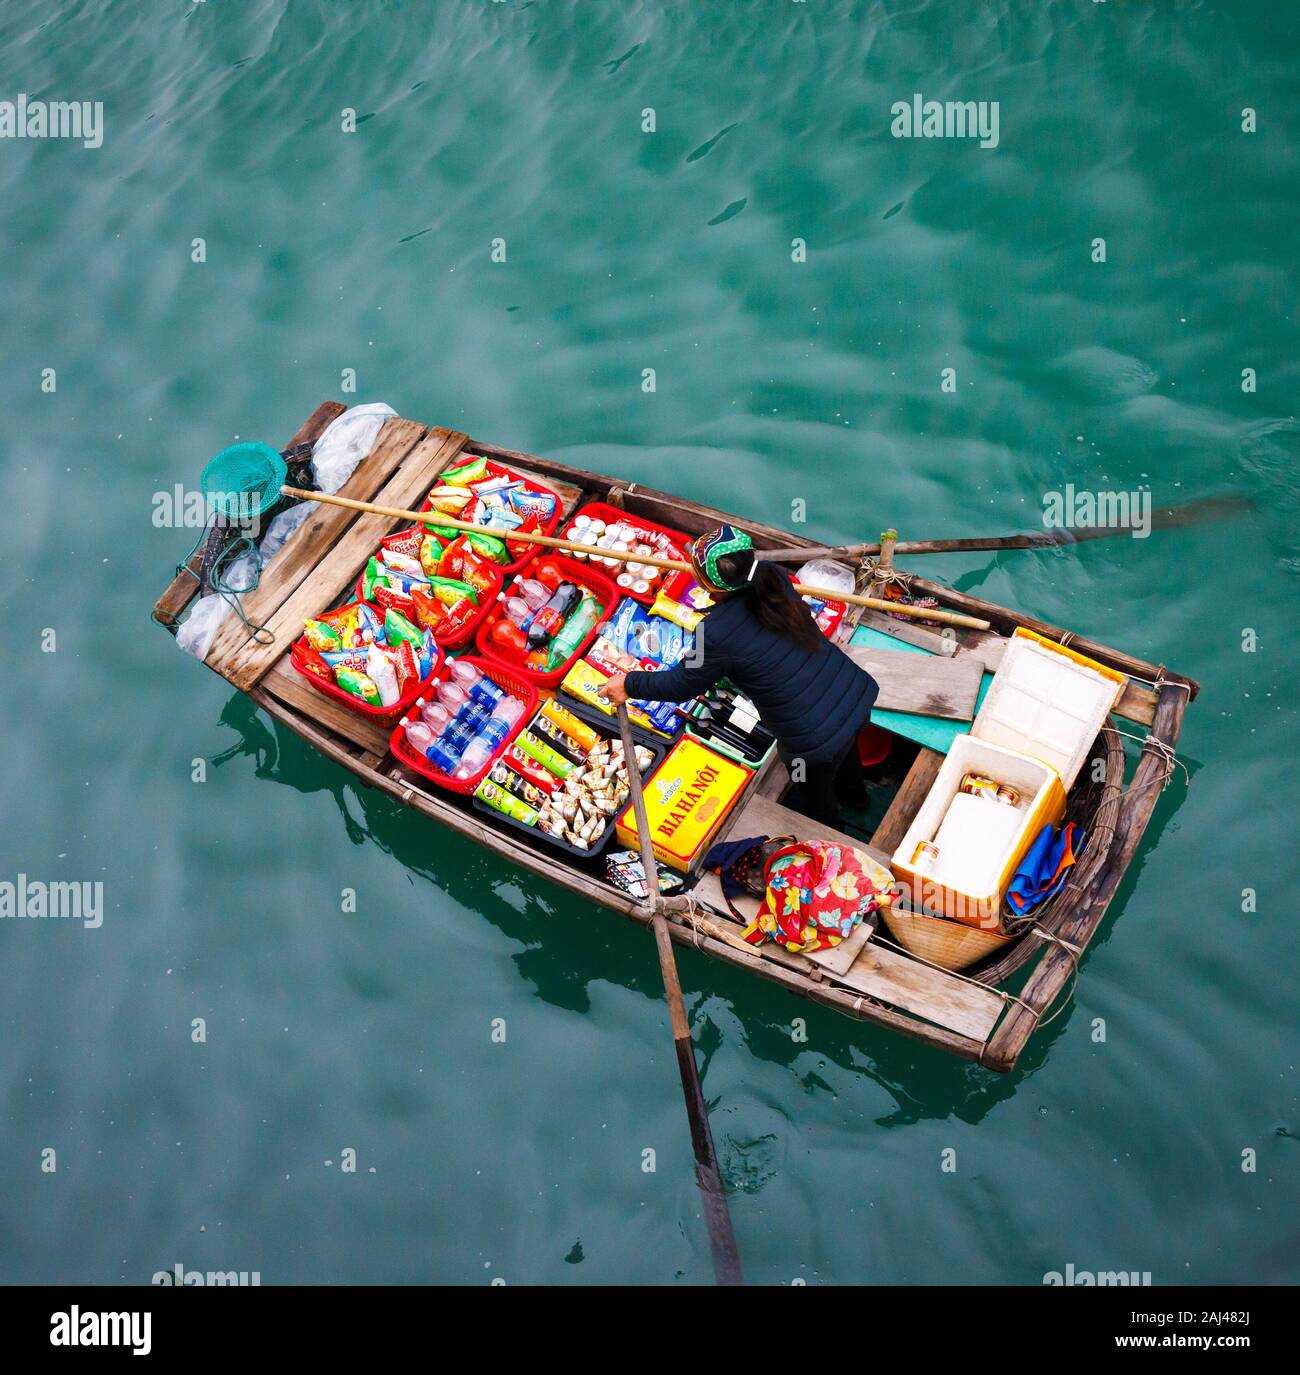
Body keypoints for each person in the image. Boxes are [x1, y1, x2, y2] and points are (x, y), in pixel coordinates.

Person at [603, 524, 879, 828]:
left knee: (816, 799)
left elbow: (680, 684)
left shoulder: (716, 633)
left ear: (711, 584)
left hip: (811, 741)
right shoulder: (774, 578)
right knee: (846, 747)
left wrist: (629, 683)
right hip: (854, 695)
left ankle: (832, 834)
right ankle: (858, 799)